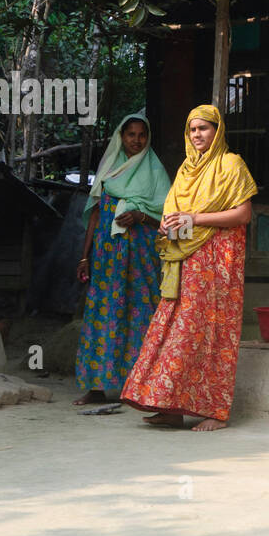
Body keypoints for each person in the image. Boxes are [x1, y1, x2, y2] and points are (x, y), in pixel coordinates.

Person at [120, 104, 258, 431]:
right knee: (178, 328)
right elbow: (180, 218)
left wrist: (194, 219)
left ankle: (215, 412)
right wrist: (170, 227)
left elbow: (243, 214)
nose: (198, 135)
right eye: (193, 130)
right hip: (187, 259)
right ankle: (171, 406)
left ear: (217, 131)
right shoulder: (185, 170)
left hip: (219, 262)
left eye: (204, 128)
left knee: (214, 331)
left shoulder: (231, 164)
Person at [73, 112, 171, 405]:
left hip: (142, 258)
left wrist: (142, 215)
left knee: (141, 314)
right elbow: (95, 216)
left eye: (142, 135)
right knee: (103, 314)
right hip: (107, 257)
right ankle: (96, 388)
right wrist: (84, 257)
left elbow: (167, 217)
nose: (137, 141)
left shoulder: (155, 171)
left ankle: (139, 388)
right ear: (121, 137)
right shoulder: (108, 170)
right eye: (131, 135)